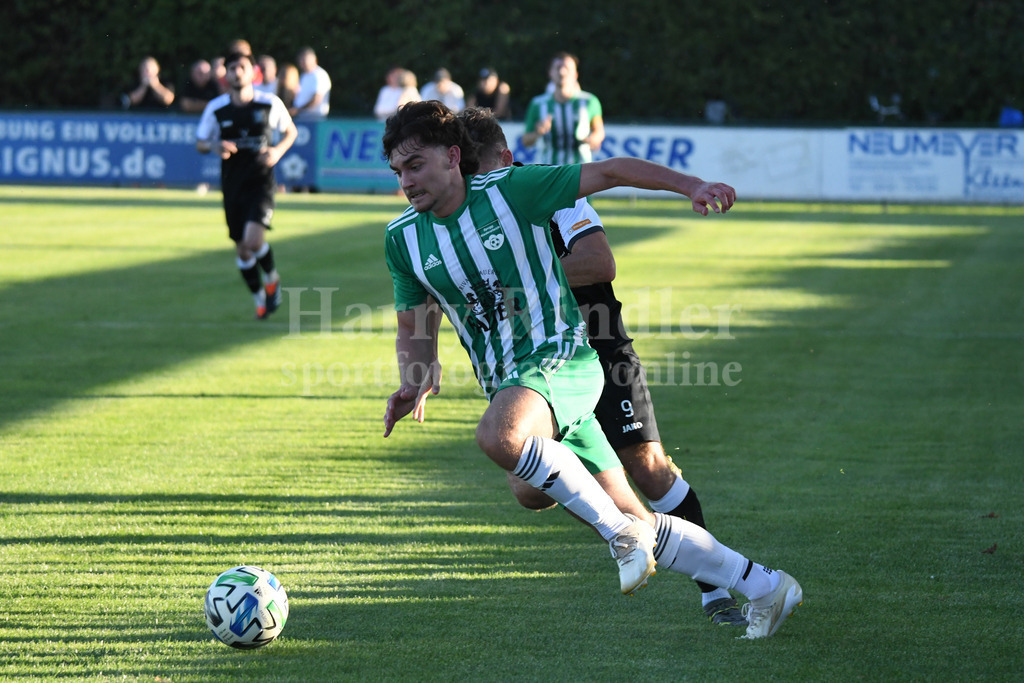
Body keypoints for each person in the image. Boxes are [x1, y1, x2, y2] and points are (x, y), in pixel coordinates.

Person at [380, 100, 802, 639]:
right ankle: (765, 585)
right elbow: (414, 326)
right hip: (514, 382)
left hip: (562, 360)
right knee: (544, 495)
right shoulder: (403, 238)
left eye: (416, 165)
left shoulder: (512, 189)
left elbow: (612, 170)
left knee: (499, 436)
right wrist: (414, 377)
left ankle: (619, 537)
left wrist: (692, 186)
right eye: (398, 171)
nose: (406, 181)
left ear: (452, 156)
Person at [458, 105, 747, 626]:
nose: (475, 188)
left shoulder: (547, 192)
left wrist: (522, 279)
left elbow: (599, 262)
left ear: (505, 158)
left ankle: (716, 590)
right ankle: (655, 542)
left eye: (480, 174)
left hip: (598, 346)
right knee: (528, 489)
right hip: (535, 365)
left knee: (649, 468)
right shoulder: (463, 216)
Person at [195, 48, 297, 320]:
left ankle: (272, 278)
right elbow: (200, 141)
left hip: (261, 182)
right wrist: (215, 145)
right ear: (226, 75)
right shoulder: (216, 108)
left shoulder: (269, 103)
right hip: (232, 184)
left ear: (253, 72)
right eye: (232, 69)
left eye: (242, 68)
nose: (237, 73)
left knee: (253, 241)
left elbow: (290, 131)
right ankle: (259, 299)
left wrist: (277, 152)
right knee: (242, 249)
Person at [522, 52, 604, 165]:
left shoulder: (590, 101)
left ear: (575, 74)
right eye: (558, 68)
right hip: (549, 168)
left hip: (581, 168)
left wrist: (593, 140)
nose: (562, 72)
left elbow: (599, 131)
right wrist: (538, 133)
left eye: (567, 68)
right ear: (550, 73)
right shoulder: (538, 104)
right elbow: (526, 140)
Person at [290, 46, 331, 121]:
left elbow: (317, 99)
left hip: (314, 119)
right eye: (300, 60)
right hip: (302, 117)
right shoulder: (304, 75)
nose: (301, 63)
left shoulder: (320, 75)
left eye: (304, 60)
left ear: (314, 60)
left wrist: (298, 110)